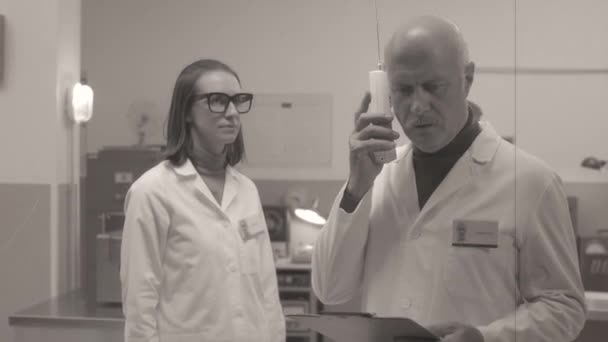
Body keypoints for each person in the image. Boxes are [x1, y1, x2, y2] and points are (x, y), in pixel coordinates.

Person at [311, 16, 585, 342]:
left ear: (467, 79)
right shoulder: (374, 177)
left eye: (433, 87)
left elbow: (563, 306)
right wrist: (357, 186)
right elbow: (330, 289)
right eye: (403, 90)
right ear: (384, 91)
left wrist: (486, 338)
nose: (418, 106)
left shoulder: (529, 182)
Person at [120, 59, 285, 342]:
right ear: (186, 112)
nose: (232, 113)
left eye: (237, 101)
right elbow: (139, 302)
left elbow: (267, 290)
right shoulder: (152, 192)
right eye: (218, 101)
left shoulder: (246, 191)